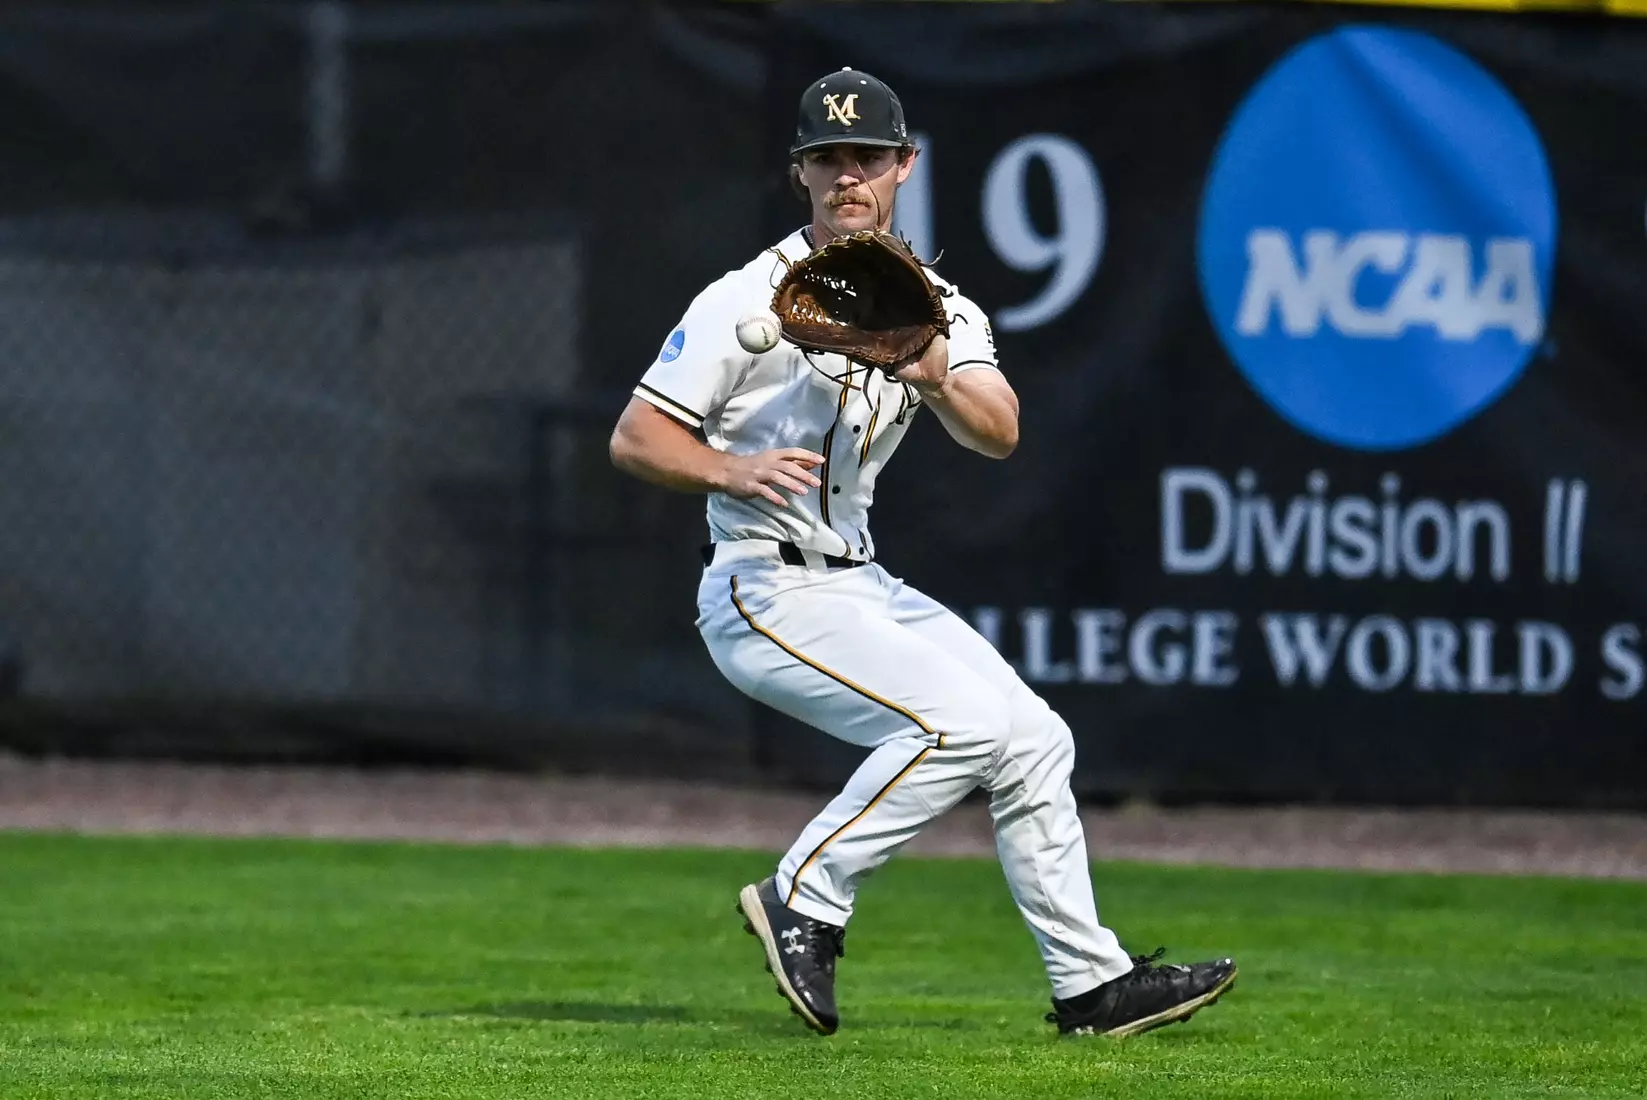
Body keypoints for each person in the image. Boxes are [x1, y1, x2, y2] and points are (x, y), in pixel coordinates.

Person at [609, 67, 1237, 1039]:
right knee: (960, 727)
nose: (846, 175)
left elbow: (1000, 430)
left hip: (858, 580)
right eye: (827, 158)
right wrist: (730, 469)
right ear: (799, 173)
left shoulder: (939, 308)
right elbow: (638, 437)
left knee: (1033, 737)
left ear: (904, 165)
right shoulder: (747, 301)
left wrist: (933, 370)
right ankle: (804, 894)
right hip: (761, 585)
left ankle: (1091, 984)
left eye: (866, 156)